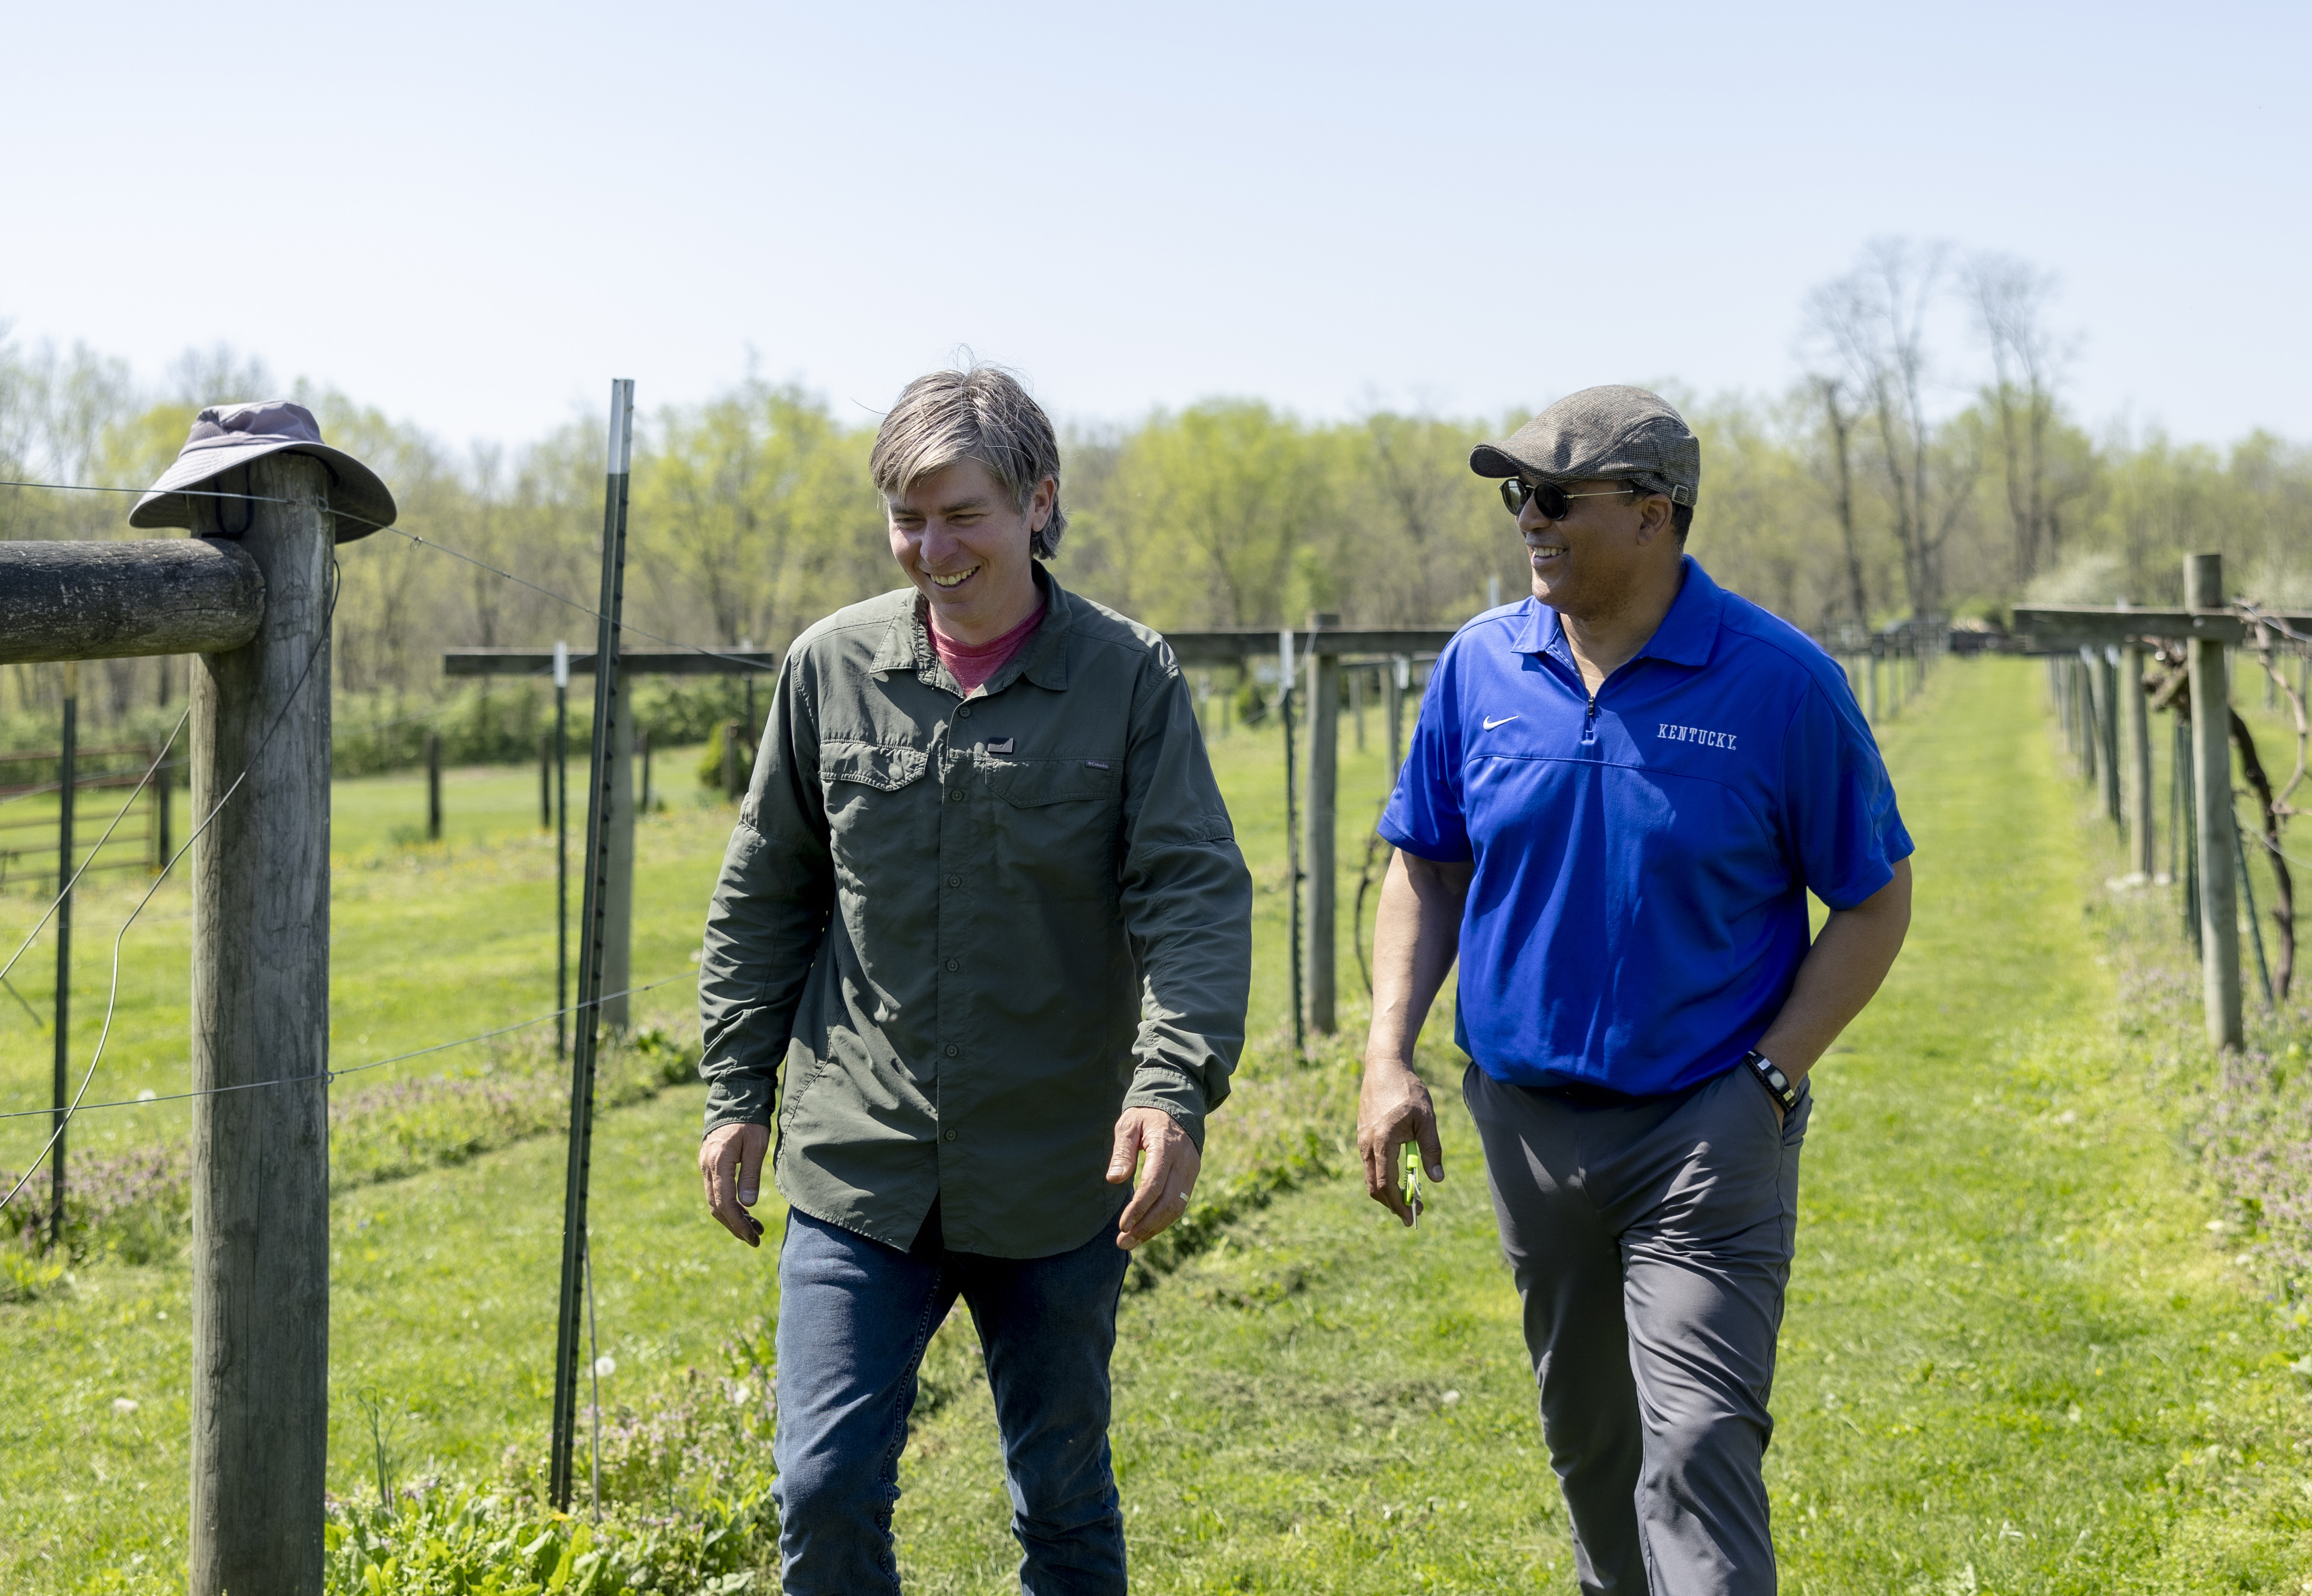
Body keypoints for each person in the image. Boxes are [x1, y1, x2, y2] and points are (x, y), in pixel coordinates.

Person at [694, 365, 1251, 1595]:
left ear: (1039, 502)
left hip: (1058, 1168)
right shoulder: (830, 668)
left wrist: (1171, 1088)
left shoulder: (1126, 677)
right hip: (861, 1159)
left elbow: (1191, 892)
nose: (931, 547)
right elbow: (765, 891)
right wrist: (736, 1087)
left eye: (964, 514)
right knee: (822, 1487)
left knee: (1059, 1499)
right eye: (907, 515)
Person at [1354, 386, 1914, 1595]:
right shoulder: (1479, 667)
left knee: (1701, 1446)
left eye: (1556, 496)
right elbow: (1426, 865)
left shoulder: (1778, 683)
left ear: (1655, 514)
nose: (1529, 521)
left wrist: (1767, 1078)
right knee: (1592, 1444)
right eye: (1518, 497)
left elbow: (1873, 897)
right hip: (1527, 1126)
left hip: (1704, 1125)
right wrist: (1385, 1055)